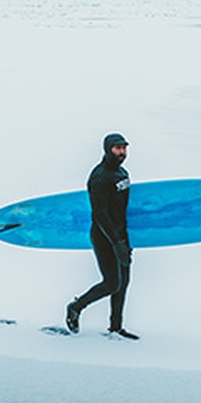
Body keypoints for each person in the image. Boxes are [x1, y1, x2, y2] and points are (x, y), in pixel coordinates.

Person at [66, 132, 138, 339]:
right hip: (104, 236)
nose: (122, 152)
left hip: (121, 235)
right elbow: (100, 215)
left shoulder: (122, 173)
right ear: (108, 149)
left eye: (124, 148)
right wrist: (116, 243)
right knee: (111, 282)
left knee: (123, 282)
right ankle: (75, 307)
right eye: (117, 148)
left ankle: (116, 328)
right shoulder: (99, 177)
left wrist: (123, 240)